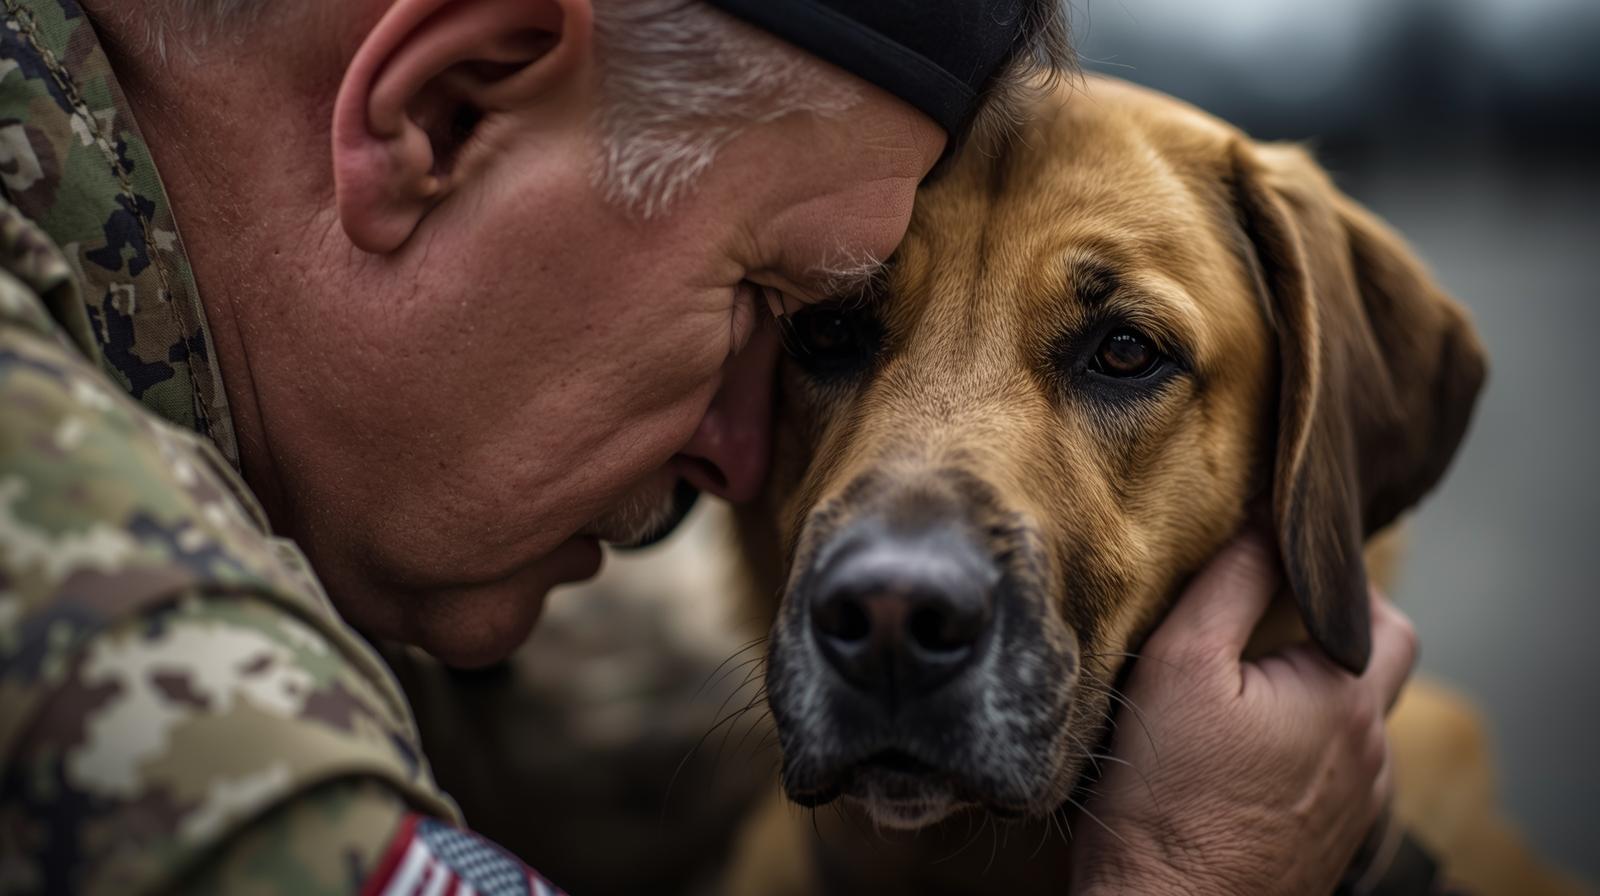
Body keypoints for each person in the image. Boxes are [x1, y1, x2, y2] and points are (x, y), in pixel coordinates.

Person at [0, 0, 1415, 893]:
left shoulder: (346, 492)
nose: (756, 462)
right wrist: (1192, 875)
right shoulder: (72, 554)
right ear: (448, 109)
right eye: (796, 313)